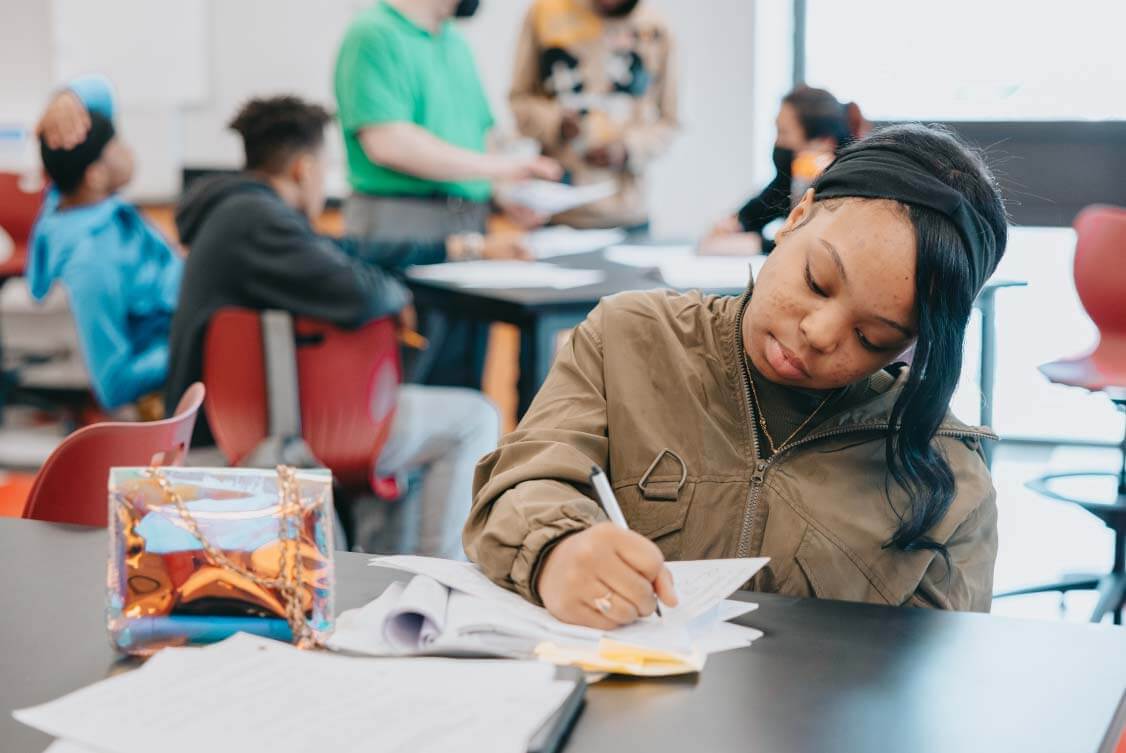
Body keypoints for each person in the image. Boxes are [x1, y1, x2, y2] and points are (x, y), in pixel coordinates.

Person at [464, 124, 1008, 627]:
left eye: (873, 338)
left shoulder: (951, 484)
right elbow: (527, 479)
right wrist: (557, 551)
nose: (819, 334)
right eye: (817, 282)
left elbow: (941, 687)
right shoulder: (630, 339)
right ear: (798, 216)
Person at [166, 96, 503, 559]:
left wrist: (454, 247)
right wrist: (397, 295)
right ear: (305, 169)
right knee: (474, 419)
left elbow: (346, 250)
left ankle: (396, 580)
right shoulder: (256, 220)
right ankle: (441, 584)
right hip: (244, 435)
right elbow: (362, 291)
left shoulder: (240, 215)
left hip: (253, 421)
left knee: (425, 442)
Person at [334, 0, 562, 390]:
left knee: (463, 386)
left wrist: (505, 195)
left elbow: (480, 136)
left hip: (468, 228)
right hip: (400, 229)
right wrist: (499, 170)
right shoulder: (373, 33)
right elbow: (389, 142)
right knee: (404, 388)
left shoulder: (455, 42)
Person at [29, 75, 183, 410]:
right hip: (176, 373)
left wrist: (68, 98)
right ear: (94, 174)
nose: (129, 153)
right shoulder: (92, 259)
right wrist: (193, 341)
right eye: (118, 146)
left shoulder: (74, 202)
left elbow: (101, 94)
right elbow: (113, 383)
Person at [508, 0, 678, 230]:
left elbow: (668, 121)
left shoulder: (655, 26)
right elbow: (519, 99)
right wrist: (555, 122)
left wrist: (629, 149)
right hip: (557, 213)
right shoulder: (545, 13)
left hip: (627, 210)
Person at [706, 86, 867, 254]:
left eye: (783, 133)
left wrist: (760, 246)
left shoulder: (845, 189)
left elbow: (819, 249)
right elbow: (746, 219)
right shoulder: (789, 181)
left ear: (823, 141)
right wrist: (730, 226)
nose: (778, 143)